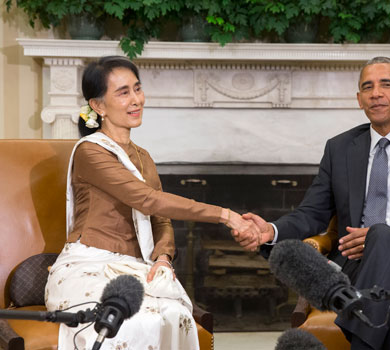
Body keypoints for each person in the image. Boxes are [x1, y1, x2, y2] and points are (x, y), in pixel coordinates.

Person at [241, 57, 390, 349]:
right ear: (359, 99)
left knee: (382, 234)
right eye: (368, 87)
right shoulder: (339, 149)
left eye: (386, 84)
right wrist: (272, 230)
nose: (376, 93)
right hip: (359, 264)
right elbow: (312, 212)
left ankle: (358, 327)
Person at [45, 55, 260, 350]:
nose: (136, 99)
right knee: (129, 324)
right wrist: (225, 215)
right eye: (123, 92)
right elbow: (149, 200)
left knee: (174, 315)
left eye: (137, 88)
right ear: (98, 106)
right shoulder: (90, 152)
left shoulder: (143, 157)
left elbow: (161, 219)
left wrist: (162, 257)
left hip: (136, 268)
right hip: (88, 266)